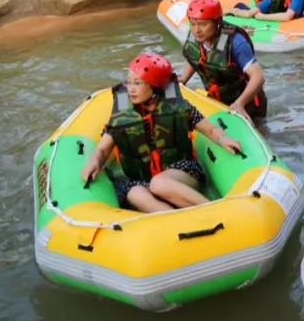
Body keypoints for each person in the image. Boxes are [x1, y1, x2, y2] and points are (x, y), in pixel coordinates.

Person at [81, 52, 242, 213]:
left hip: (180, 171)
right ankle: (179, 221)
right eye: (128, 83)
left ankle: (217, 211)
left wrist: (223, 139)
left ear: (155, 86)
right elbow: (103, 149)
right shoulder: (123, 115)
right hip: (139, 179)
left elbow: (211, 129)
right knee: (136, 194)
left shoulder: (179, 108)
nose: (130, 89)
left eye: (137, 83)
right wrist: (94, 162)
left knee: (159, 184)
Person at [180, 0, 268, 120]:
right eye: (193, 24)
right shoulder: (197, 36)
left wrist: (239, 104)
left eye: (203, 24)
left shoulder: (236, 42)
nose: (196, 30)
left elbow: (258, 77)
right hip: (218, 101)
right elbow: (195, 57)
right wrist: (183, 79)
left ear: (217, 22)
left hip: (246, 104)